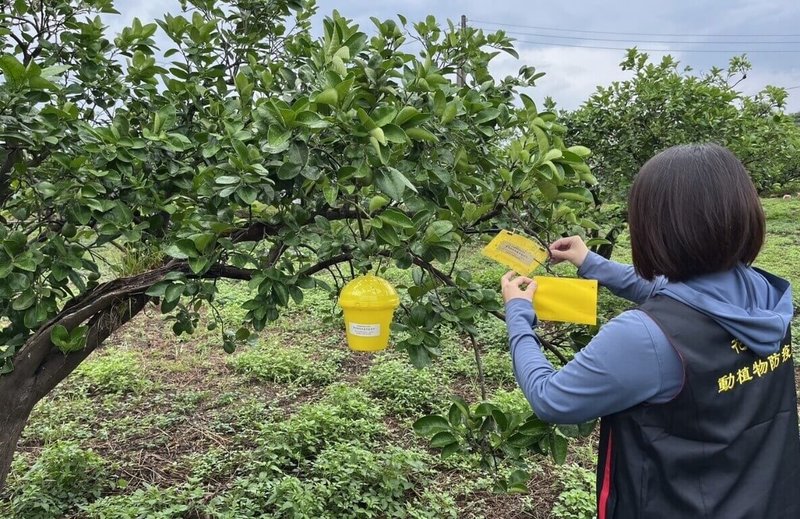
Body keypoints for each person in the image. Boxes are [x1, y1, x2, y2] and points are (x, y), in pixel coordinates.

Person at [501, 143, 799, 519]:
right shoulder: (766, 294)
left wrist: (518, 316)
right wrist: (590, 262)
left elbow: (552, 399)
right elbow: (672, 292)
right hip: (764, 497)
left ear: (654, 229)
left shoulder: (645, 338)